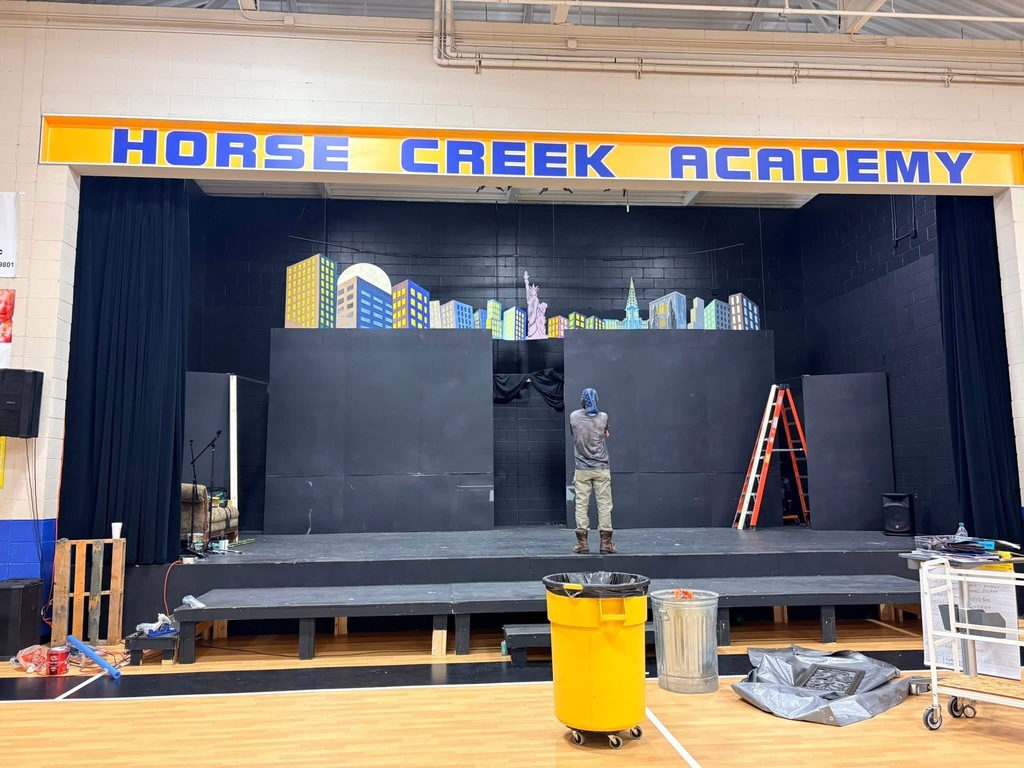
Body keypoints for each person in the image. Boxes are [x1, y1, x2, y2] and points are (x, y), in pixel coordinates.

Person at [569, 387, 616, 554]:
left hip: (582, 469)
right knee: (604, 505)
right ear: (596, 400)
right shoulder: (603, 417)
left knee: (581, 505)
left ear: (582, 401)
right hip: (601, 468)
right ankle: (606, 544)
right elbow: (606, 433)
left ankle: (582, 544)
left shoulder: (574, 416)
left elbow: (574, 434)